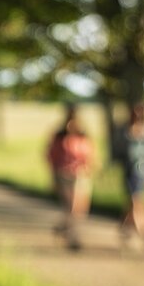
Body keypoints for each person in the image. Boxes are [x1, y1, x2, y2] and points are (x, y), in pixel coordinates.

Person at [46, 103, 96, 250]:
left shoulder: (83, 134)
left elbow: (90, 154)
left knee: (80, 209)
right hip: (64, 175)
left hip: (81, 175)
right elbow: (52, 156)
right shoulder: (60, 135)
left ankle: (63, 227)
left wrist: (89, 169)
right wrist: (53, 176)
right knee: (72, 207)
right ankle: (73, 238)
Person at [113, 103, 144, 250]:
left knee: (136, 203)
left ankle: (125, 229)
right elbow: (118, 152)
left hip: (143, 173)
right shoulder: (124, 131)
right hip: (130, 173)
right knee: (137, 202)